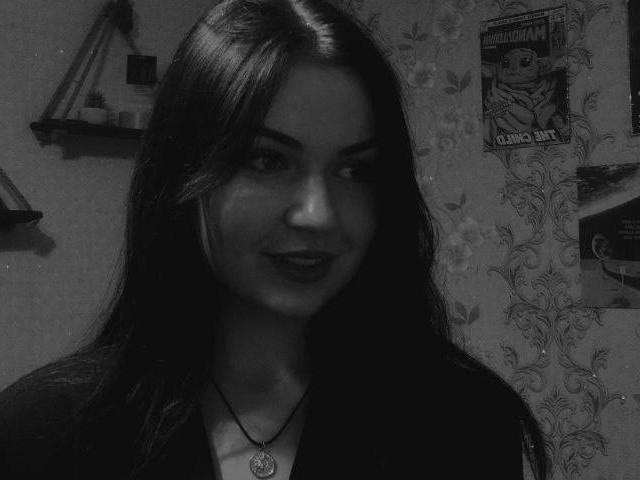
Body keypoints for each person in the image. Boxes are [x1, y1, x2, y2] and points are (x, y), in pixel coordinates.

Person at [0, 0, 548, 479]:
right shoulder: (44, 432)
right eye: (267, 160)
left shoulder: (462, 421)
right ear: (182, 175)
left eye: (355, 170)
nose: (318, 214)